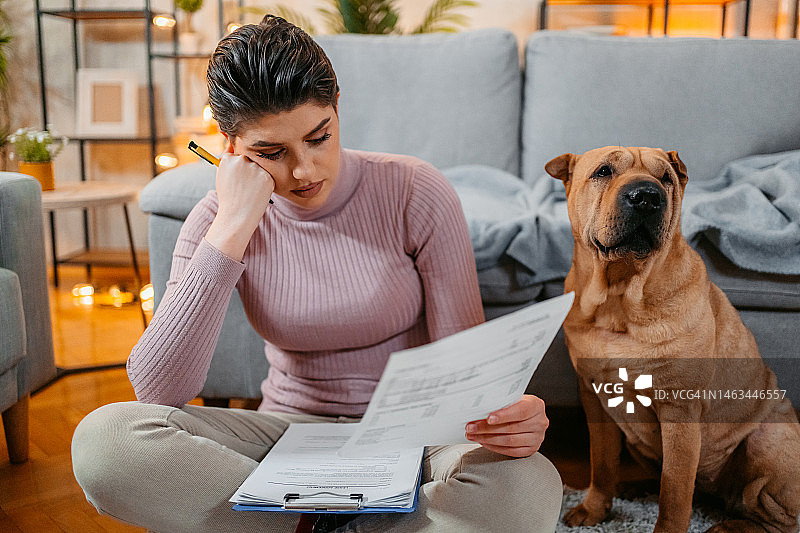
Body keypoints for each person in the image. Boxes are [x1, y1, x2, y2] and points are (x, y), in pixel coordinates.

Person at [71, 15, 563, 533]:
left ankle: (299, 523)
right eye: (271, 152)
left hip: (415, 438)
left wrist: (508, 422)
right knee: (104, 443)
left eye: (318, 137)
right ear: (232, 147)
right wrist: (233, 225)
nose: (304, 171)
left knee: (527, 484)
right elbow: (158, 386)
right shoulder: (217, 220)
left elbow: (465, 372)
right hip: (284, 436)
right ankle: (318, 521)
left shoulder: (415, 190)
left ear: (336, 110)